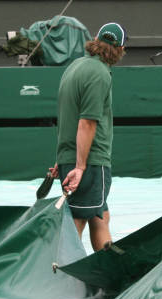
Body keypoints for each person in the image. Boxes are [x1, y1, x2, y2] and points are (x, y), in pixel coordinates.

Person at [50, 23, 126, 251]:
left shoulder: (75, 66)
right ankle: (62, 274)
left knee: (100, 215)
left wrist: (63, 159)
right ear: (120, 49)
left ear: (95, 38)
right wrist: (81, 166)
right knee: (78, 221)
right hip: (90, 163)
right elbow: (87, 122)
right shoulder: (100, 74)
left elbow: (68, 117)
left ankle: (109, 270)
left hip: (71, 159)